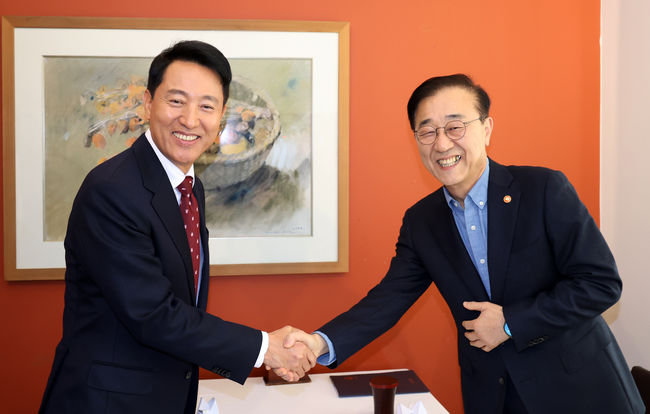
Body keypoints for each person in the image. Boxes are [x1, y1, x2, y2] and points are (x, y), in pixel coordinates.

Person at [284, 74, 645, 413]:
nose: (442, 143)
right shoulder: (422, 221)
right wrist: (319, 343)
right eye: (427, 131)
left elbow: (600, 284)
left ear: (486, 129)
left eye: (455, 127)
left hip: (578, 390)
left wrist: (510, 323)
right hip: (493, 394)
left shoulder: (543, 189)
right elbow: (388, 300)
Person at [38, 40, 314, 414]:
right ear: (148, 103)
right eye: (176, 101)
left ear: (222, 116)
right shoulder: (111, 190)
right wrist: (265, 348)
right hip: (107, 402)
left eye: (206, 106)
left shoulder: (189, 187)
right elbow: (153, 314)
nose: (190, 119)